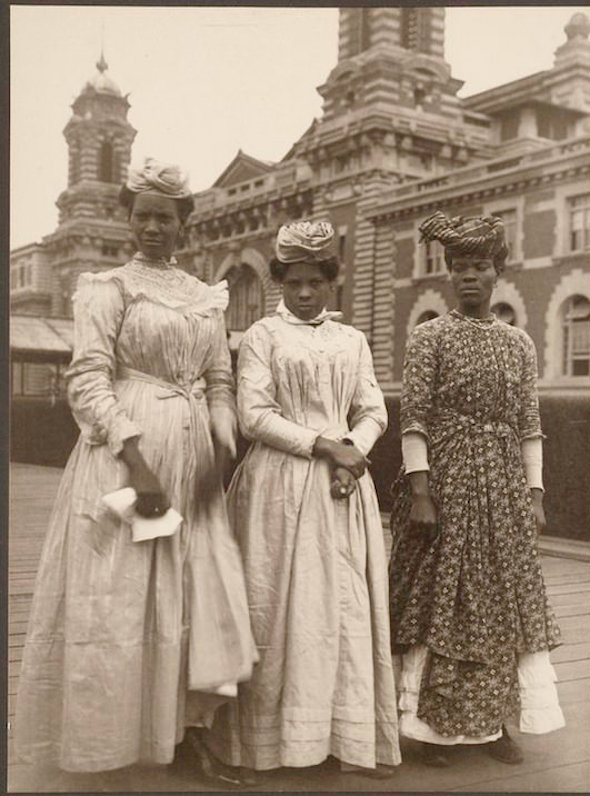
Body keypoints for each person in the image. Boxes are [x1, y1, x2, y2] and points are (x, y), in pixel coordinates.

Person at [13, 158, 257, 783]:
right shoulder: (107, 287)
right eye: (142, 216)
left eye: (164, 218)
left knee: (195, 597)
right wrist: (134, 458)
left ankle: (187, 733)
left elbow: (220, 380)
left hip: (192, 459)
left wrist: (223, 441)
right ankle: (108, 739)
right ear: (129, 219)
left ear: (183, 223)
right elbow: (88, 378)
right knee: (119, 599)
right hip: (126, 459)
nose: (152, 227)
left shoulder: (205, 297)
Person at [208, 221, 401, 780]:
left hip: (343, 487)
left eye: (316, 282)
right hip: (279, 484)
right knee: (279, 608)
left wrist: (351, 452)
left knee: (342, 607)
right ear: (280, 282)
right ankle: (270, 745)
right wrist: (324, 447)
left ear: (331, 282)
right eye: (294, 282)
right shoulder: (263, 335)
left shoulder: (352, 340)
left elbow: (373, 410)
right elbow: (254, 415)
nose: (305, 293)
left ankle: (346, 738)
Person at [388, 211, 565, 768]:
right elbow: (414, 417)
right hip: (445, 481)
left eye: (481, 266)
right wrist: (421, 492)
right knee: (441, 598)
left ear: (497, 272)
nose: (470, 276)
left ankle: (494, 725)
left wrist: (534, 493)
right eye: (461, 266)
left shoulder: (518, 343)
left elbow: (529, 421)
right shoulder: (429, 336)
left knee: (501, 600)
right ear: (449, 272)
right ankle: (427, 728)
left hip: (502, 486)